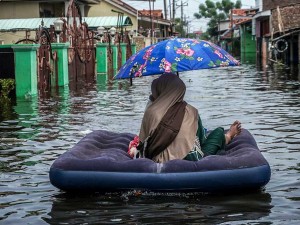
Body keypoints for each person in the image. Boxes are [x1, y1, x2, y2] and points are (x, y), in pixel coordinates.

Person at [130, 73, 241, 163]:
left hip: (157, 160)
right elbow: (202, 142)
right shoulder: (191, 111)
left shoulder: (151, 111)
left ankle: (226, 137)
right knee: (218, 132)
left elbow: (143, 143)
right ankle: (228, 136)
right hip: (191, 159)